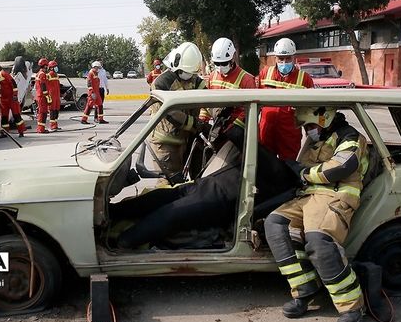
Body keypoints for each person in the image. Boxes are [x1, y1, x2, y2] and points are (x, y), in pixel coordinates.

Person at [263, 106, 369, 322]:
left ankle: (352, 307)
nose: (308, 131)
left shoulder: (350, 137)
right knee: (275, 223)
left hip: (334, 195)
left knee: (318, 240)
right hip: (308, 195)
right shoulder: (318, 137)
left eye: (310, 126)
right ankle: (305, 288)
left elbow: (339, 168)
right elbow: (303, 166)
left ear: (325, 118)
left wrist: (302, 173)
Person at [112, 129, 300, 249]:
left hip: (216, 201)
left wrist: (231, 128)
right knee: (159, 197)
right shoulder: (276, 169)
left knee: (170, 214)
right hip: (204, 186)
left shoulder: (281, 176)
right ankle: (113, 212)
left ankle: (124, 242)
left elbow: (246, 140)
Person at [148, 42, 206, 184]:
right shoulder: (161, 83)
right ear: (175, 65)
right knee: (167, 186)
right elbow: (171, 113)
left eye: (192, 72)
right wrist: (196, 124)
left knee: (185, 185)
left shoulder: (194, 79)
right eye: (186, 72)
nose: (190, 75)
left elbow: (207, 98)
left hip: (185, 141)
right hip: (165, 146)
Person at [257, 38, 314, 160]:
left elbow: (311, 109)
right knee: (265, 163)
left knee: (289, 166)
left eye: (288, 58)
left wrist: (312, 131)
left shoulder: (304, 79)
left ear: (294, 57)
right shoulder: (265, 73)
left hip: (290, 131)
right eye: (281, 58)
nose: (284, 62)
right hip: (266, 128)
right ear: (275, 58)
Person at [199, 37, 256, 131]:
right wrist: (203, 121)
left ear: (233, 57)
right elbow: (206, 104)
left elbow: (250, 110)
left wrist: (233, 127)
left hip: (235, 131)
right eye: (217, 63)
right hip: (215, 127)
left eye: (224, 63)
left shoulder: (247, 80)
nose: (220, 67)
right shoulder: (212, 77)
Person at [0, 64, 26, 137]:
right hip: (3, 99)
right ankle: (5, 132)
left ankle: (21, 131)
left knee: (16, 115)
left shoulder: (4, 74)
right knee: (4, 117)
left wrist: (15, 95)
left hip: (11, 98)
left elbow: (14, 84)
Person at [34, 58, 52, 133]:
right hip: (42, 96)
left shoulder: (39, 73)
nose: (48, 67)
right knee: (43, 113)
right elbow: (43, 85)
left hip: (40, 96)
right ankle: (41, 129)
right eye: (47, 65)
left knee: (42, 112)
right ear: (45, 66)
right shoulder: (42, 74)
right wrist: (47, 96)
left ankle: (41, 128)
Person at [47, 60, 62, 131]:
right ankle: (52, 126)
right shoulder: (48, 75)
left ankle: (55, 125)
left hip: (57, 96)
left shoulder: (57, 75)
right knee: (52, 111)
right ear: (51, 68)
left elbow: (58, 85)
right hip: (51, 96)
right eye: (55, 66)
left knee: (56, 110)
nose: (56, 68)